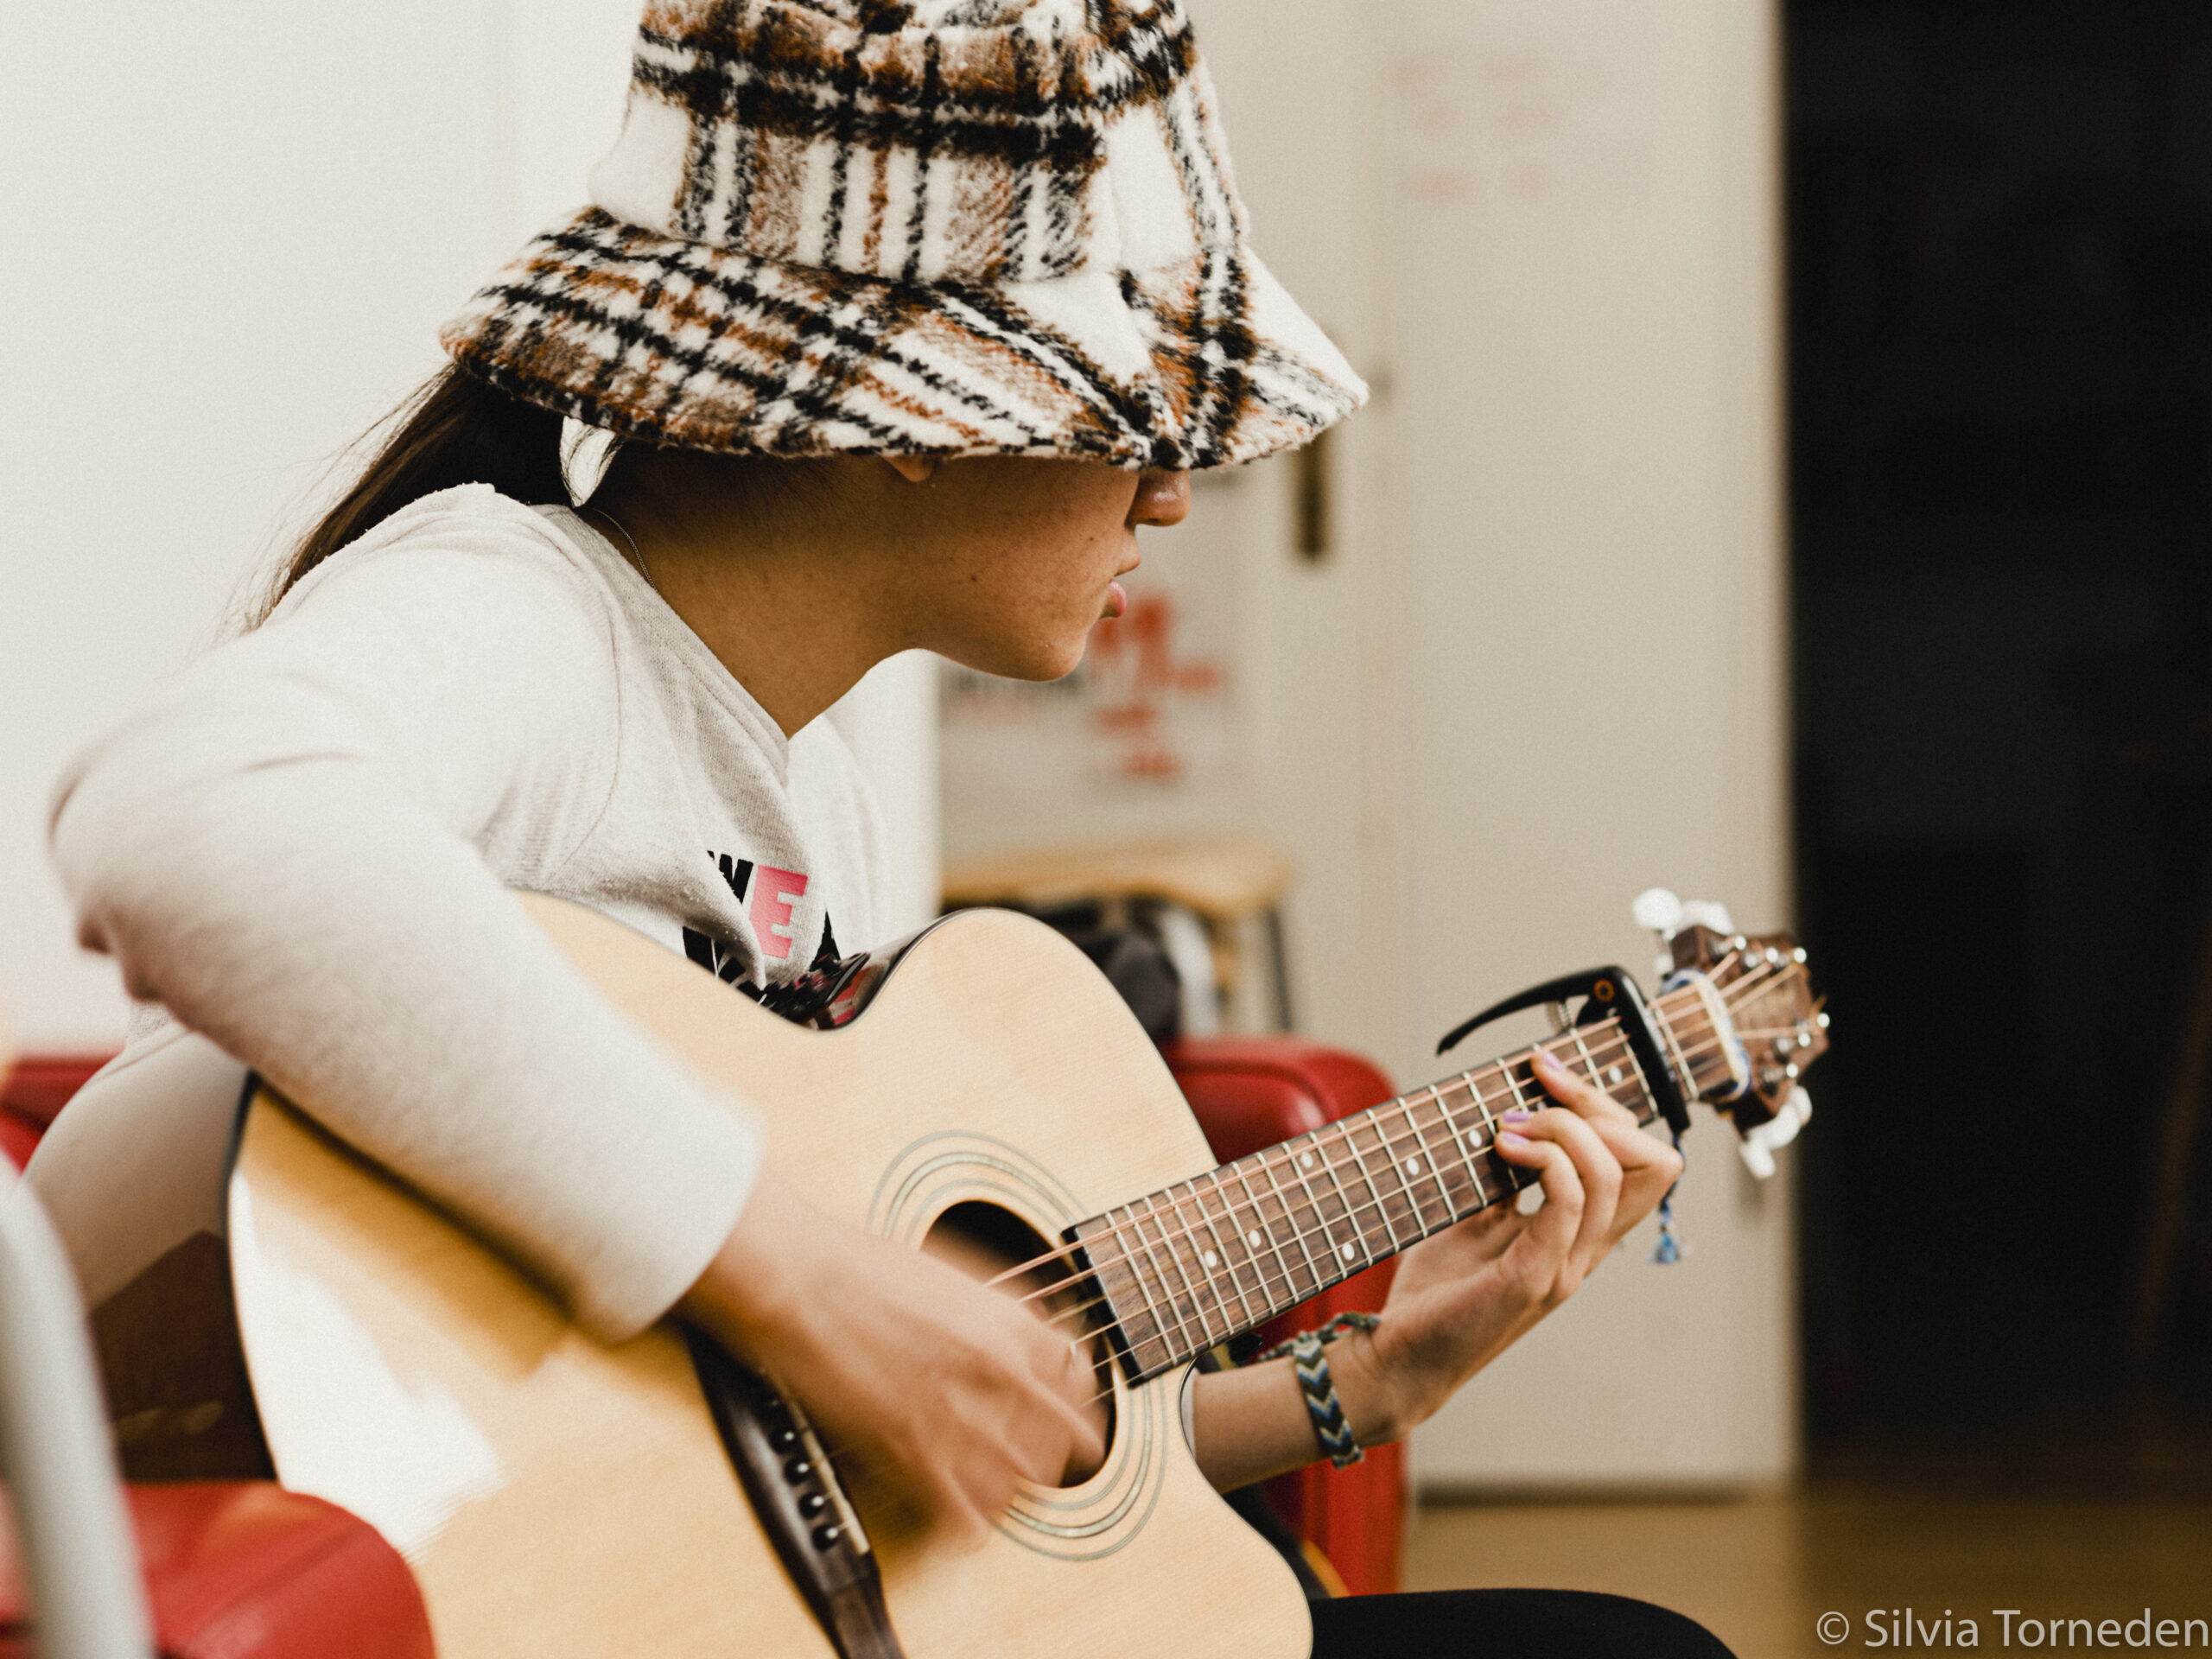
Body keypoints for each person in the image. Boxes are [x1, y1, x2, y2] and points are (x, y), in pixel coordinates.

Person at [46, 3, 1729, 1655]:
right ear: (924, 414)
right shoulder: (521, 613)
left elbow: (842, 1469)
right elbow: (190, 810)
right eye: (1133, 417)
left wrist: (1362, 1380)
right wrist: (802, 1278)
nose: (1167, 495)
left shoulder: (819, 798)